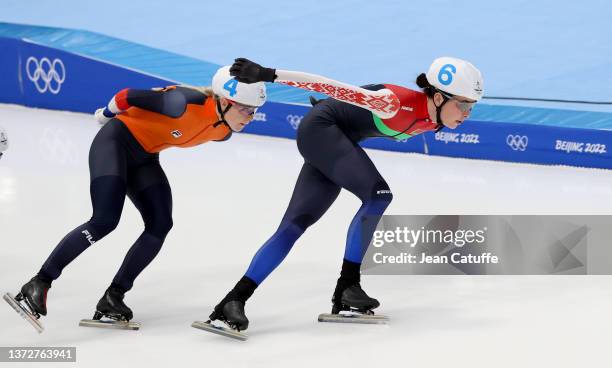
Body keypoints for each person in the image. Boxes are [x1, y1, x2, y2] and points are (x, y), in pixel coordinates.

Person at [208, 57, 484, 332]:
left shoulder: (436, 118)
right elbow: (327, 86)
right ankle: (348, 285)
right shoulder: (393, 102)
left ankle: (233, 300)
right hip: (323, 130)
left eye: (470, 107)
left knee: (295, 224)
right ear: (437, 98)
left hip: (336, 139)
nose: (466, 114)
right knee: (379, 195)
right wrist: (266, 74)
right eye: (462, 104)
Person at [5, 66, 267, 330]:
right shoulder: (183, 102)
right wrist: (105, 117)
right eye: (246, 109)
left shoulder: (223, 132)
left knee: (160, 224)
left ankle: (113, 296)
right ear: (224, 101)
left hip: (145, 158)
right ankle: (39, 282)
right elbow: (125, 96)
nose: (251, 117)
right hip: (115, 143)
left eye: (255, 110)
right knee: (104, 221)